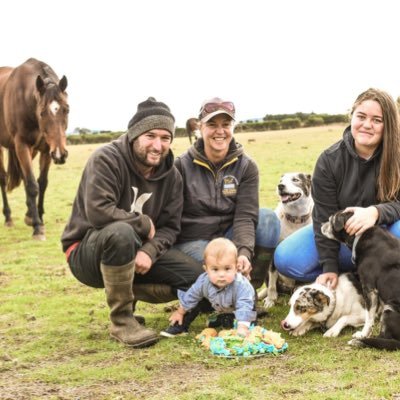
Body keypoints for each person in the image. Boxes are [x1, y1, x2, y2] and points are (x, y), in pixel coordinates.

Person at [61, 97, 203, 348]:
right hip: (86, 252)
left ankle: (125, 292)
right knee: (121, 232)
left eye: (165, 138)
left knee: (194, 276)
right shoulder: (106, 159)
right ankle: (122, 321)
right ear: (134, 134)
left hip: (136, 252)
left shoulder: (172, 176)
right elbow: (98, 212)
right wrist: (144, 223)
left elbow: (170, 227)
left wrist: (149, 251)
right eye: (150, 136)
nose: (158, 145)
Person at [274, 88, 400, 289]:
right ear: (351, 117)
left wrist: (376, 212)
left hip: (386, 232)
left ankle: (386, 277)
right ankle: (354, 275)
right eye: (361, 116)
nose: (367, 125)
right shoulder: (329, 160)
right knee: (286, 258)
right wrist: (329, 266)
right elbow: (323, 216)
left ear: (389, 125)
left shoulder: (397, 155)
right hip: (342, 237)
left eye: (377, 120)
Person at [174, 97, 281, 291]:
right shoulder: (180, 166)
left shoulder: (247, 166)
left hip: (230, 233)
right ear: (200, 127)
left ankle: (250, 291)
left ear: (233, 127)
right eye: (212, 124)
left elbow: (245, 216)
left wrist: (243, 252)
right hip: (194, 239)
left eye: (226, 124)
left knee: (267, 219)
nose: (220, 131)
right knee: (221, 263)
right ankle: (226, 295)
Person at [161, 238, 257, 337]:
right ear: (206, 270)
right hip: (219, 304)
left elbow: (245, 305)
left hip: (244, 305)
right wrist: (180, 312)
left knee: (248, 326)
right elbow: (191, 296)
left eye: (227, 269)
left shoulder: (241, 285)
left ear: (236, 268)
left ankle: (236, 321)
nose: (221, 274)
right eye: (215, 269)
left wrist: (242, 327)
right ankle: (182, 325)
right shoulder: (203, 281)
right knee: (194, 299)